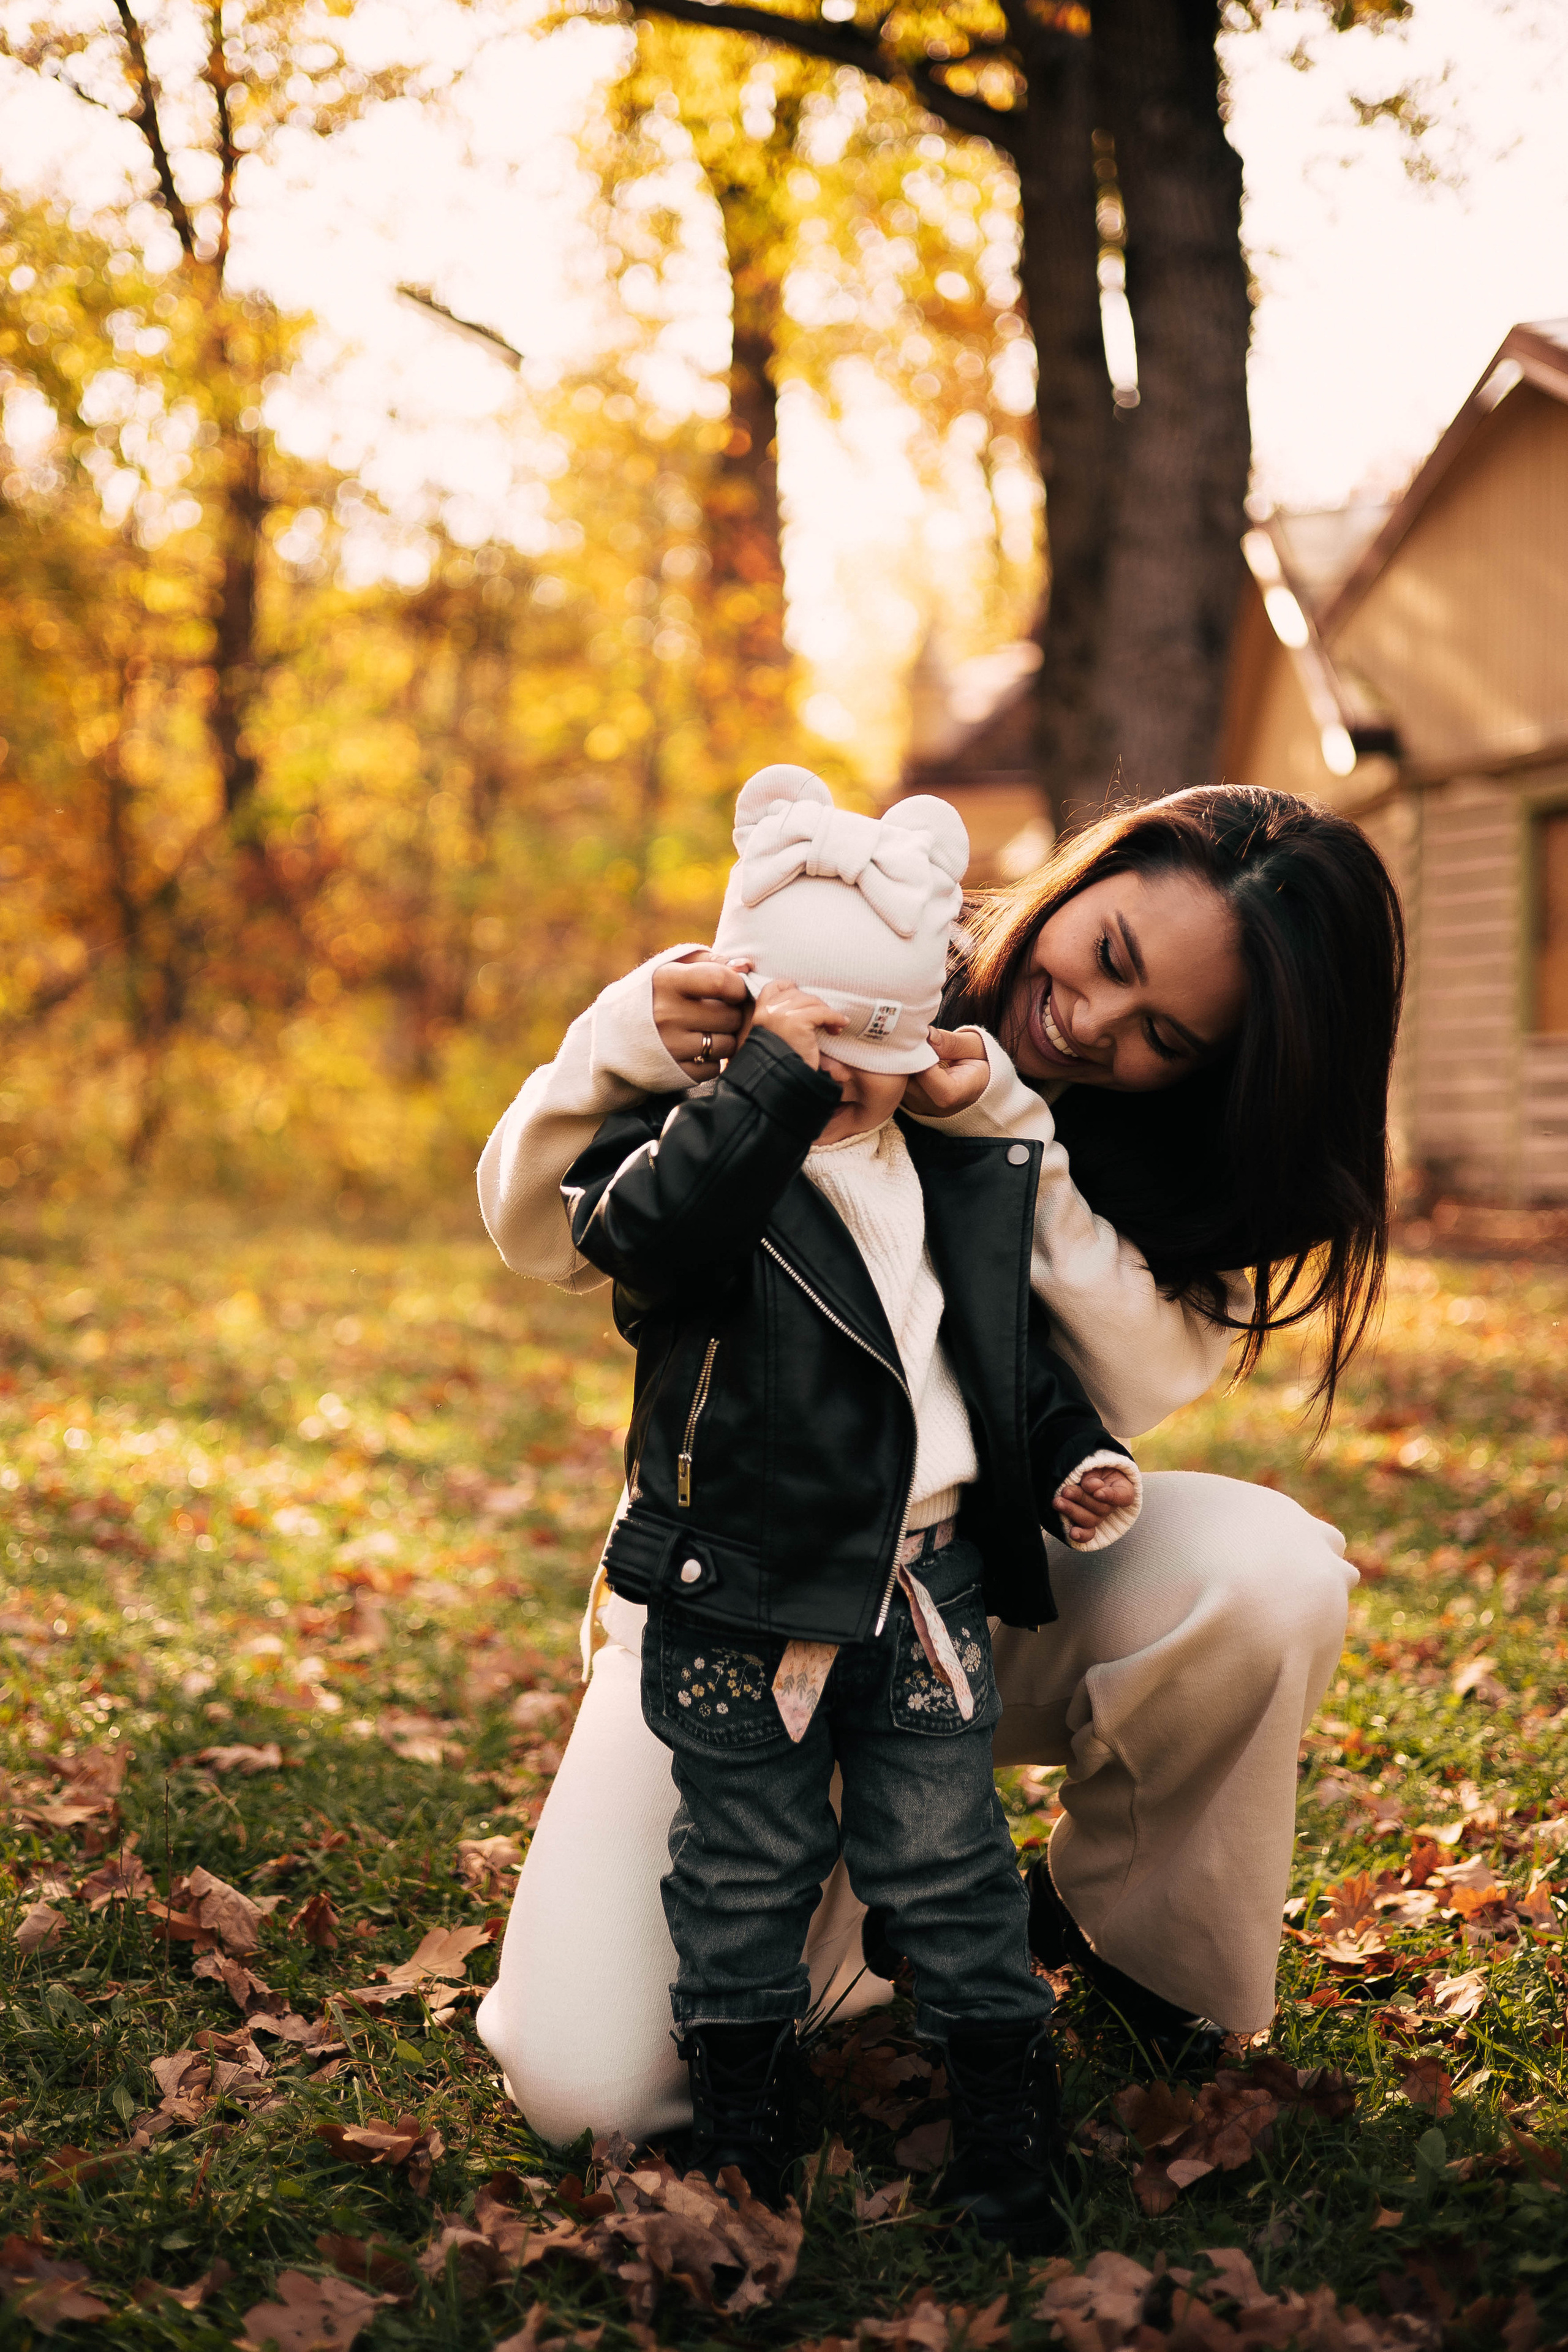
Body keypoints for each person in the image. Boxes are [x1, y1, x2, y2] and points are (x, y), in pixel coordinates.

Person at [474, 775, 1404, 2155]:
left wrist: (1005, 1128)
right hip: (738, 1607)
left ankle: (1132, 1945)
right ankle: (855, 1910)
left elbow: (1143, 1376)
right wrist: (628, 1039)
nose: (1090, 1022)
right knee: (590, 2092)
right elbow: (540, 1234)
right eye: (1108, 957)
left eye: (1162, 1036)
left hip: (958, 1598)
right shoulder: (846, 947)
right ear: (1088, 874)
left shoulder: (1121, 1143)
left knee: (1264, 1575)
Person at [559, 767, 1142, 2238]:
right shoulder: (692, 1164)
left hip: (919, 1588)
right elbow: (642, 1247)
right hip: (740, 1587)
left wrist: (1063, 1450)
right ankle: (740, 2111)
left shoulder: (934, 1175)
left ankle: (1004, 2112)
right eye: (806, 1034)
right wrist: (757, 1087)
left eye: (874, 1039)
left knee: (942, 1854)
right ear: (745, 1016)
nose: (839, 1072)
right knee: (741, 1858)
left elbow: (989, 1351)